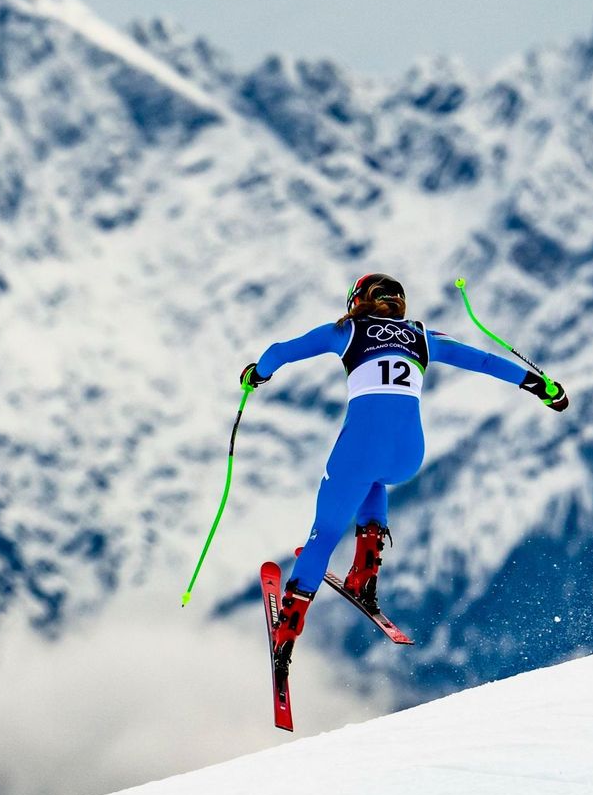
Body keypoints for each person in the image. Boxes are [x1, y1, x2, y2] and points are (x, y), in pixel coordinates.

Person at [241, 273, 569, 669]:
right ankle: (365, 572)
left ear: (356, 301)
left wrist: (257, 374)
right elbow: (482, 360)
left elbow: (281, 350)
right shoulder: (421, 336)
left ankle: (288, 630)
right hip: (408, 456)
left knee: (324, 533)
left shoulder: (344, 330)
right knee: (375, 480)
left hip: (359, 452)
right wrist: (540, 385)